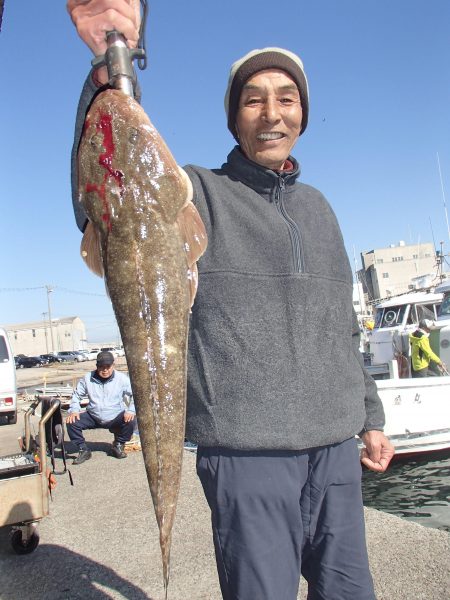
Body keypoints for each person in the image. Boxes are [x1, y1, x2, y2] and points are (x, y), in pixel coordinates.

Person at [67, 2, 395, 598]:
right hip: (246, 457)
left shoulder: (320, 209)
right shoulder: (196, 196)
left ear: (303, 114)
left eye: (286, 98)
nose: (272, 113)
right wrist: (105, 74)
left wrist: (369, 419)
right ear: (232, 118)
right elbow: (102, 193)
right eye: (253, 100)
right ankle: (165, 536)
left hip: (335, 453)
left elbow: (342, 327)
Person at [66, 350, 135, 464]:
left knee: (132, 420)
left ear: (113, 365)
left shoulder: (121, 379)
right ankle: (83, 449)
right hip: (93, 415)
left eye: (108, 366)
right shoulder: (87, 378)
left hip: (115, 415)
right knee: (71, 422)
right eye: (101, 367)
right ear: (97, 366)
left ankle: (118, 444)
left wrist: (131, 410)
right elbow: (77, 395)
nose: (105, 370)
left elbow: (135, 395)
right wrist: (74, 410)